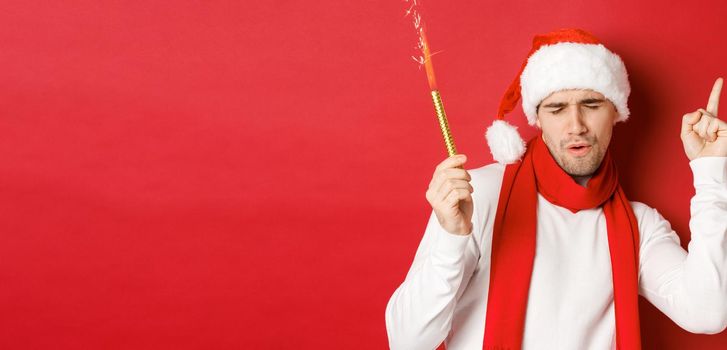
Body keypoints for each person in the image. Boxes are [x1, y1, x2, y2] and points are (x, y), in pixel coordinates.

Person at [385, 28, 727, 350]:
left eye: (591, 105)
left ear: (616, 113)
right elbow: (408, 341)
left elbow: (708, 313)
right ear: (539, 118)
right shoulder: (477, 197)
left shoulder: (640, 225)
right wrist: (451, 237)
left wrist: (711, 173)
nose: (575, 125)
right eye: (557, 108)